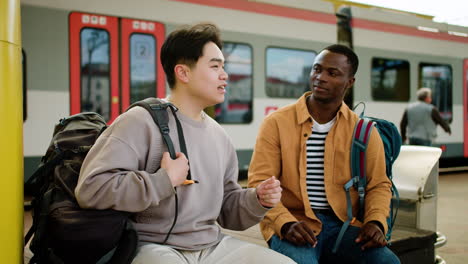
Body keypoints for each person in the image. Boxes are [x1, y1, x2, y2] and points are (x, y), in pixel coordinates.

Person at [75, 23, 295, 264]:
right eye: (215, 66)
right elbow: (91, 189)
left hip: (212, 246)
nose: (225, 75)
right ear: (183, 73)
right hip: (150, 246)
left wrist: (257, 200)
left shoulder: (220, 136)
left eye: (223, 66)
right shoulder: (140, 121)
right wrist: (163, 181)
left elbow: (228, 212)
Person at [248, 44, 400, 264]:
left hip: (343, 225)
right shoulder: (277, 123)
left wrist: (376, 222)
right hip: (294, 221)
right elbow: (259, 181)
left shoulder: (363, 131)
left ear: (349, 82)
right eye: (316, 69)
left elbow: (378, 184)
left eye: (332, 73)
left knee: (388, 262)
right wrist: (284, 222)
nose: (320, 77)